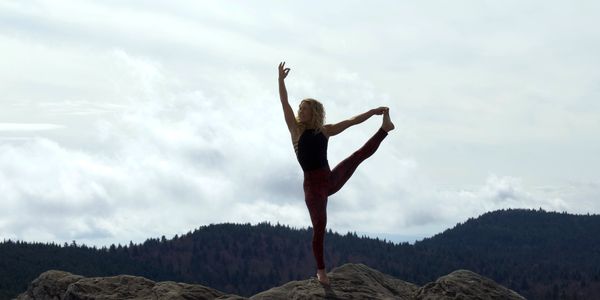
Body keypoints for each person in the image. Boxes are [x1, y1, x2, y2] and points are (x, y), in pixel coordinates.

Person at [277, 62, 395, 285]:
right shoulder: (295, 129)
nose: (300, 110)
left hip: (329, 180)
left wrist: (372, 112)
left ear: (314, 112)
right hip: (313, 187)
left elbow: (351, 122)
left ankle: (385, 129)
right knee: (319, 226)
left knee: (357, 156)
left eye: (304, 108)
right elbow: (284, 103)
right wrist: (281, 81)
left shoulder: (325, 130)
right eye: (300, 107)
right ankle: (321, 271)